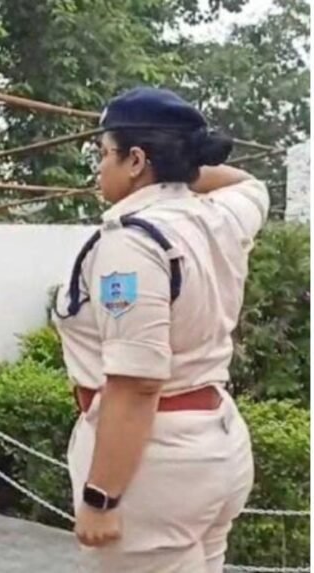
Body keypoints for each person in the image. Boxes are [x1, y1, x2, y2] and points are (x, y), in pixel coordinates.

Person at [51, 87, 269, 572]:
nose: (98, 166)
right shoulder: (219, 215)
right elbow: (251, 184)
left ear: (135, 160)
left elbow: (137, 382)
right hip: (216, 443)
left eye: (105, 153)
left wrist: (101, 497)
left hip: (154, 469)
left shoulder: (134, 244)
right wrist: (182, 168)